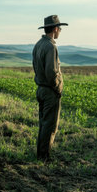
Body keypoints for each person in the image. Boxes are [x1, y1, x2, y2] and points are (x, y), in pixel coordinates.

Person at [32, 15, 68, 161]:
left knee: (43, 123)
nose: (60, 31)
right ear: (54, 29)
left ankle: (41, 154)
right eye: (59, 28)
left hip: (40, 88)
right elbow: (52, 72)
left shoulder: (38, 44)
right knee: (50, 126)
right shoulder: (50, 46)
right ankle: (44, 157)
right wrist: (58, 88)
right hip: (49, 91)